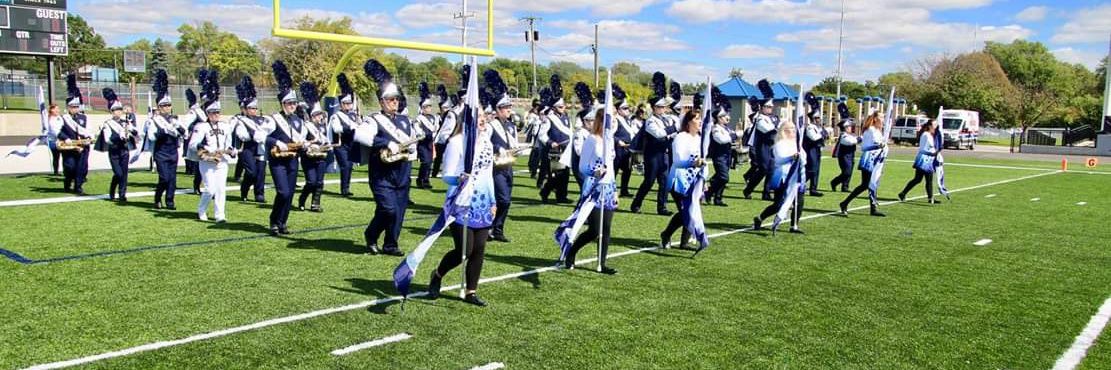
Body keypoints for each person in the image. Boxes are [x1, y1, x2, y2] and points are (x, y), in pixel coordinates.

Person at [425, 96, 496, 307]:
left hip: (482, 202)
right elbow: (446, 175)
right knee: (464, 249)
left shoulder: (486, 142)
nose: (483, 120)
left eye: (484, 116)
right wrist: (460, 178)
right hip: (461, 202)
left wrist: (493, 201)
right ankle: (437, 274)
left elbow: (488, 173)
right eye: (478, 117)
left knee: (480, 248)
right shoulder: (456, 142)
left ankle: (471, 291)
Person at [363, 59, 417, 256]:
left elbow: (412, 141)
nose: (395, 102)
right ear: (381, 102)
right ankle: (371, 234)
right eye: (390, 99)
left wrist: (413, 150)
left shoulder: (404, 120)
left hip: (402, 172)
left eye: (396, 99)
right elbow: (362, 136)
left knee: (399, 212)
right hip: (381, 174)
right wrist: (385, 143)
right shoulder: (373, 119)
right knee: (389, 209)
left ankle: (391, 244)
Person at [561, 106, 618, 274]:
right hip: (593, 187)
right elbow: (582, 166)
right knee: (594, 230)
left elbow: (612, 167)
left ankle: (602, 263)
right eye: (610, 120)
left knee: (606, 227)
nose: (613, 123)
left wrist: (614, 190)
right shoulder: (592, 139)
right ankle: (571, 252)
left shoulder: (610, 140)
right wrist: (594, 171)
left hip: (607, 188)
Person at [266, 61, 307, 235]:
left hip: (292, 160)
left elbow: (303, 140)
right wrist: (276, 142)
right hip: (277, 160)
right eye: (289, 103)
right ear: (283, 104)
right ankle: (274, 221)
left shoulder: (299, 121)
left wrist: (306, 146)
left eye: (294, 103)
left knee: (289, 194)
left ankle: (282, 222)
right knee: (282, 192)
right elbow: (262, 136)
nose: (292, 106)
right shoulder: (273, 119)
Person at [659, 110, 706, 250]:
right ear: (689, 122)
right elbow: (678, 160)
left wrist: (704, 180)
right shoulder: (680, 137)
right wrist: (693, 163)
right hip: (678, 180)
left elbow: (702, 161)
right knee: (687, 210)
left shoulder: (699, 138)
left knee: (691, 209)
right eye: (697, 119)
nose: (700, 122)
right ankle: (666, 234)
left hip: (694, 180)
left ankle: (683, 241)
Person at [192, 72, 235, 222]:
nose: (216, 114)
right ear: (207, 113)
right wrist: (207, 153)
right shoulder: (201, 126)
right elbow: (193, 144)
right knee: (210, 189)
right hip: (207, 162)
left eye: (217, 112)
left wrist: (230, 150)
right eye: (212, 112)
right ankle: (201, 210)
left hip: (222, 161)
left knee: (221, 189)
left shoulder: (226, 125)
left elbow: (229, 142)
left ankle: (219, 215)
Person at [630, 72, 675, 215]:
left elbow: (671, 133)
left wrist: (672, 129)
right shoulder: (650, 121)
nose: (664, 109)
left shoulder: (667, 119)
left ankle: (662, 207)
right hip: (653, 155)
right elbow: (660, 134)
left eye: (664, 107)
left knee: (664, 182)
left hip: (664, 154)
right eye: (660, 107)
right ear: (654, 108)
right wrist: (673, 129)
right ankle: (636, 204)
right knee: (649, 182)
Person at [752, 120, 805, 234]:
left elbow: (804, 159)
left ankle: (794, 225)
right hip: (783, 177)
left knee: (799, 202)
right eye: (791, 129)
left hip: (796, 178)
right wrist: (791, 157)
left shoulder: (797, 144)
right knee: (778, 204)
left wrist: (800, 158)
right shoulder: (779, 145)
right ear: (784, 131)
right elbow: (779, 160)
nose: (794, 131)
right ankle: (760, 218)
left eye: (794, 129)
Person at [484, 70, 517, 243]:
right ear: (497, 109)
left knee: (506, 200)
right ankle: (490, 227)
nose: (509, 110)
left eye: (509, 107)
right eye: (505, 108)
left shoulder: (511, 126)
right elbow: (485, 143)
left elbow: (513, 144)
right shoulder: (491, 125)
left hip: (508, 166)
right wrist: (497, 147)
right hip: (495, 167)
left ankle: (497, 229)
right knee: (501, 199)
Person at [838, 112, 887, 217]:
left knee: (873, 183)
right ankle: (844, 203)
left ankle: (873, 208)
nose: (883, 119)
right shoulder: (870, 130)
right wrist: (879, 145)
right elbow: (865, 146)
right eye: (881, 117)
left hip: (877, 159)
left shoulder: (878, 130)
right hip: (869, 159)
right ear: (875, 119)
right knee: (865, 184)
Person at [96, 88, 139, 202]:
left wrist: (131, 130)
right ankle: (112, 188)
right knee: (118, 174)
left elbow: (135, 132)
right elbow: (107, 139)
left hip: (124, 151)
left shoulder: (126, 122)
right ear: (111, 111)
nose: (118, 112)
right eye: (115, 110)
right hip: (114, 151)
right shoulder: (108, 124)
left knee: (124, 174)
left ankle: (122, 194)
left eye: (120, 110)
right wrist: (118, 136)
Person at [233, 76, 270, 203]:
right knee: (252, 172)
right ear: (246, 109)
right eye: (251, 108)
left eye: (255, 108)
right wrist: (253, 134)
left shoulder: (263, 119)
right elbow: (241, 135)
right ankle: (244, 189)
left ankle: (259, 194)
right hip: (247, 148)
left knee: (261, 173)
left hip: (260, 148)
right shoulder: (241, 120)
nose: (253, 111)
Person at [538, 75, 573, 204]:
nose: (563, 109)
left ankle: (561, 196)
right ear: (554, 107)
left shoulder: (566, 117)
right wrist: (550, 142)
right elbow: (542, 135)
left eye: (563, 106)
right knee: (556, 175)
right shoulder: (549, 118)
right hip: (554, 150)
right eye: (560, 107)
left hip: (566, 148)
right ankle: (545, 192)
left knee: (565, 174)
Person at [743, 80, 778, 201]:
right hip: (762, 146)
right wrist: (777, 128)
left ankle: (766, 192)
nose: (770, 109)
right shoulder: (760, 119)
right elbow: (769, 130)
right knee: (763, 169)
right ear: (762, 107)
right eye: (768, 107)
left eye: (771, 107)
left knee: (771, 169)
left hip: (771, 146)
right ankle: (749, 189)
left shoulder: (772, 118)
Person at [298, 82, 330, 212]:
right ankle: (302, 199)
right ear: (311, 116)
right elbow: (301, 141)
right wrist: (312, 143)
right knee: (311, 182)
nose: (320, 117)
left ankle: (315, 204)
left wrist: (327, 145)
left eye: (320, 114)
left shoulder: (323, 127)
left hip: (321, 156)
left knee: (320, 182)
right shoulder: (306, 126)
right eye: (317, 115)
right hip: (309, 157)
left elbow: (326, 141)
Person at [58, 74, 91, 195]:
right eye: (73, 107)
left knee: (81, 168)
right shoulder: (63, 118)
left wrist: (88, 138)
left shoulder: (83, 117)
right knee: (70, 167)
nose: (75, 109)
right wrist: (65, 138)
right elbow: (58, 131)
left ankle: (78, 186)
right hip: (69, 146)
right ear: (68, 107)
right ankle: (68, 181)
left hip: (82, 146)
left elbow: (87, 130)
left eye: (77, 107)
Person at [898, 119, 940, 204]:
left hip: (925, 158)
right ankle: (930, 198)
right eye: (934, 125)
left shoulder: (928, 135)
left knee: (918, 179)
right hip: (924, 159)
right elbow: (928, 148)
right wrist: (935, 152)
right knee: (927, 179)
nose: (935, 127)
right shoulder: (926, 135)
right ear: (929, 126)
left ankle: (903, 193)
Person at [707, 102, 737, 206]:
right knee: (724, 177)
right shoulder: (716, 128)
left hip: (727, 154)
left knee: (722, 177)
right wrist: (732, 136)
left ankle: (718, 198)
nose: (726, 118)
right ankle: (709, 193)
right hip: (719, 155)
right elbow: (721, 140)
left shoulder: (726, 128)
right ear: (718, 118)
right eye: (723, 116)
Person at [414, 82, 439, 189]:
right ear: (423, 108)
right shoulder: (419, 118)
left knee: (430, 162)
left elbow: (435, 128)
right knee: (425, 162)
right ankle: (421, 180)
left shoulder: (433, 118)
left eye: (430, 106)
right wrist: (422, 134)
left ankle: (426, 180)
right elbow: (417, 129)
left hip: (430, 142)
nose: (429, 108)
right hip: (423, 142)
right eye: (427, 107)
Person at [612, 85, 635, 198]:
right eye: (625, 108)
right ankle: (611, 190)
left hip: (627, 148)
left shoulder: (628, 120)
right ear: (618, 110)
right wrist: (618, 141)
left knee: (627, 171)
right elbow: (610, 135)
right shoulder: (615, 120)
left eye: (628, 108)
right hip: (618, 149)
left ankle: (624, 190)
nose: (628, 110)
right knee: (614, 171)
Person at [829, 103, 857, 192]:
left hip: (850, 155)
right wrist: (859, 139)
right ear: (845, 128)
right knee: (846, 172)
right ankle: (834, 182)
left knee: (850, 172)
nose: (850, 127)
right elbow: (851, 142)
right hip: (844, 156)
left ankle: (845, 187)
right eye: (848, 126)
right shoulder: (844, 136)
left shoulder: (849, 135)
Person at [432, 84, 457, 180]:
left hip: (446, 139)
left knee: (447, 157)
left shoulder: (449, 115)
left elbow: (448, 128)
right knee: (438, 158)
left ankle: (446, 172)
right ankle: (435, 172)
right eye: (443, 108)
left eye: (445, 108)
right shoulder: (440, 117)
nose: (444, 110)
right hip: (440, 140)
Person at [803, 101, 827, 197]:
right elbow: (815, 137)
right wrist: (822, 134)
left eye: (818, 118)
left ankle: (813, 189)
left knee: (816, 170)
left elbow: (826, 135)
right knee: (811, 169)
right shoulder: (810, 127)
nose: (818, 119)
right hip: (810, 150)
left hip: (817, 150)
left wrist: (822, 134)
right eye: (816, 118)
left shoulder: (818, 127)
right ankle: (799, 184)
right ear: (812, 118)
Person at [525, 99, 543, 179]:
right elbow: (529, 123)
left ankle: (534, 167)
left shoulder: (541, 114)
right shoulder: (532, 115)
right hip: (537, 135)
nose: (537, 108)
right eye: (536, 106)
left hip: (542, 134)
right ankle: (533, 169)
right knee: (537, 152)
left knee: (539, 153)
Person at [45, 104, 63, 175]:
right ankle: (56, 171)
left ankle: (67, 171)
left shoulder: (60, 118)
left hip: (62, 140)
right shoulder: (50, 120)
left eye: (58, 109)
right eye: (56, 109)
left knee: (65, 156)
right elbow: (54, 131)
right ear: (52, 110)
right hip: (53, 141)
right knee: (56, 156)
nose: (58, 110)